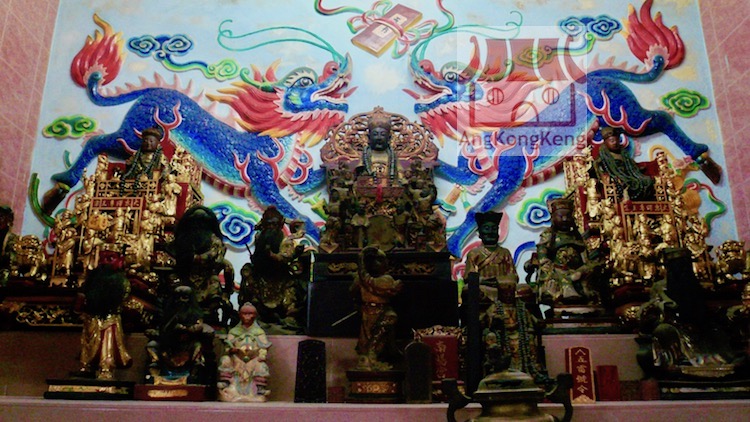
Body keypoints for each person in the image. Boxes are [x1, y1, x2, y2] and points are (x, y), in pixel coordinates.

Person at [77, 250, 132, 379]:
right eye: (105, 258)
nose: (106, 262)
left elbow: (123, 296)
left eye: (110, 258)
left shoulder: (119, 280)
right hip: (93, 315)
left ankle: (105, 367)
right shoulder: (94, 278)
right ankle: (88, 365)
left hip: (108, 315)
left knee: (106, 343)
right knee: (90, 342)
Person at [536, 198, 602, 305]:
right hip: (557, 269)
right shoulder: (549, 235)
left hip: (576, 269)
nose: (565, 219)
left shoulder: (576, 237)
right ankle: (563, 295)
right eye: (560, 216)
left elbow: (585, 256)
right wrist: (546, 263)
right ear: (553, 218)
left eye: (568, 216)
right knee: (550, 274)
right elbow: (542, 252)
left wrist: (583, 268)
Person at [351, 246, 403, 371]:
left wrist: (361, 267)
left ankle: (376, 358)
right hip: (367, 313)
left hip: (382, 311)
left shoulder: (386, 279)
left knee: (386, 326)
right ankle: (367, 361)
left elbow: (371, 283)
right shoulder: (359, 280)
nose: (382, 263)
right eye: (377, 260)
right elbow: (354, 292)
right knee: (365, 340)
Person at [218, 302, 272, 402]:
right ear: (240, 315)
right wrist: (231, 350)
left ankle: (260, 390)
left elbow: (264, 346)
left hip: (253, 359)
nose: (247, 317)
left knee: (262, 366)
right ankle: (226, 386)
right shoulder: (234, 331)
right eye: (245, 314)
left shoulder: (259, 332)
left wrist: (262, 355)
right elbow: (227, 346)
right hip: (236, 359)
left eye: (250, 314)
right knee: (225, 360)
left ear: (255, 315)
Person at [595, 126, 654, 201]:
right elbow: (597, 165)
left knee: (646, 181)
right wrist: (602, 174)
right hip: (616, 175)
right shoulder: (604, 155)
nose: (615, 143)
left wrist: (637, 169)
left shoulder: (623, 153)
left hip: (629, 174)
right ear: (605, 142)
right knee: (624, 183)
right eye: (612, 141)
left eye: (616, 140)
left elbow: (631, 165)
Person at [359, 109, 398, 180]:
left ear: (389, 138)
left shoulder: (393, 155)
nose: (379, 138)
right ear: (369, 137)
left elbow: (400, 174)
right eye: (375, 134)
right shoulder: (364, 155)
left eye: (383, 134)